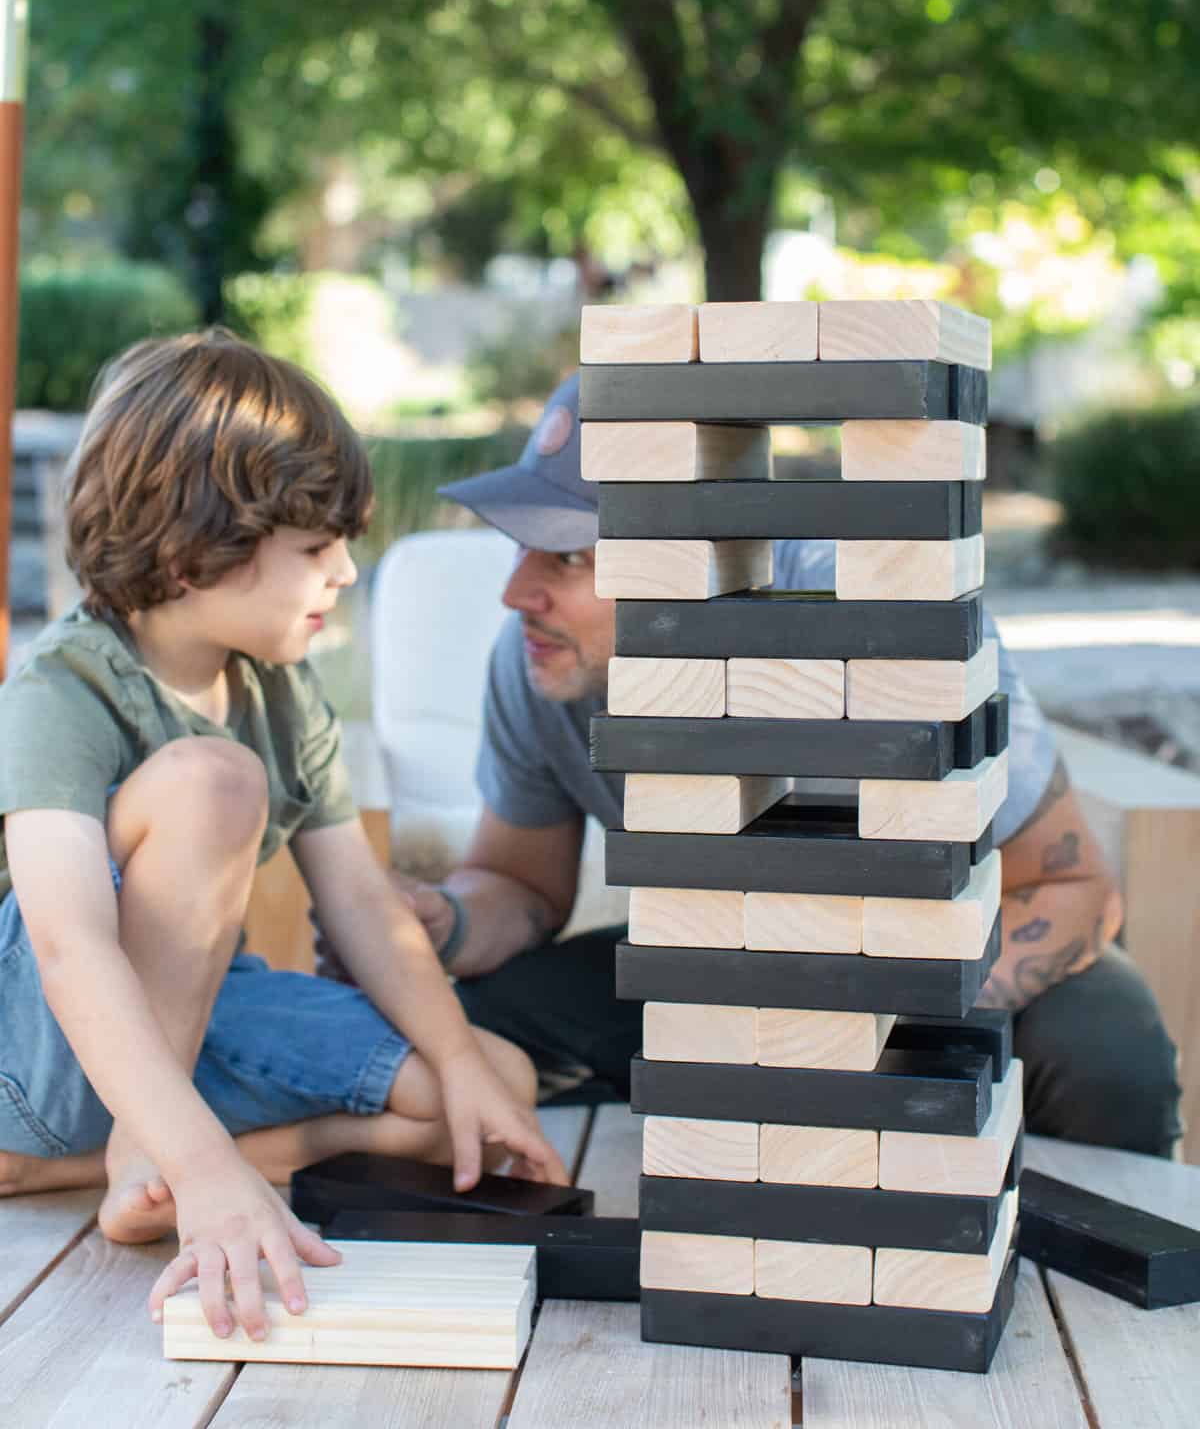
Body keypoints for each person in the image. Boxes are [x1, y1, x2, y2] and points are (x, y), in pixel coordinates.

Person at [370, 371, 1181, 1156]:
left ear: (701, 559)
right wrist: (447, 925)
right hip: (720, 964)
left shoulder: (890, 634)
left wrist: (873, 1034)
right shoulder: (540, 665)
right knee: (455, 1023)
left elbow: (1076, 891)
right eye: (521, 547)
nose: (516, 594)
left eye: (567, 558)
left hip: (935, 966)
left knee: (1110, 1057)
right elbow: (521, 887)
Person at [0, 330, 567, 1344]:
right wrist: (210, 1168)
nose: (347, 573)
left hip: (192, 1022)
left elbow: (360, 902)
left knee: (490, 1089)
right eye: (315, 550)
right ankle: (176, 1154)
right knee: (213, 782)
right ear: (188, 556)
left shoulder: (280, 689)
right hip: (35, 1039)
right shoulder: (63, 690)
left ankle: (114, 1163)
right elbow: (67, 947)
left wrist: (457, 1055)